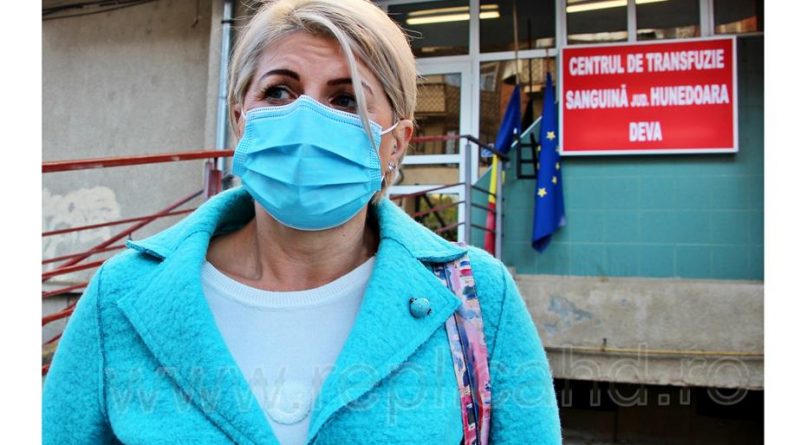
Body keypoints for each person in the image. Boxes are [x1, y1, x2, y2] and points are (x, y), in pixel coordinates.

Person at [42, 0, 561, 443]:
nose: (306, 117)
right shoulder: (121, 297)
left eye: (345, 99)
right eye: (279, 92)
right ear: (241, 120)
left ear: (396, 143)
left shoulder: (478, 299)